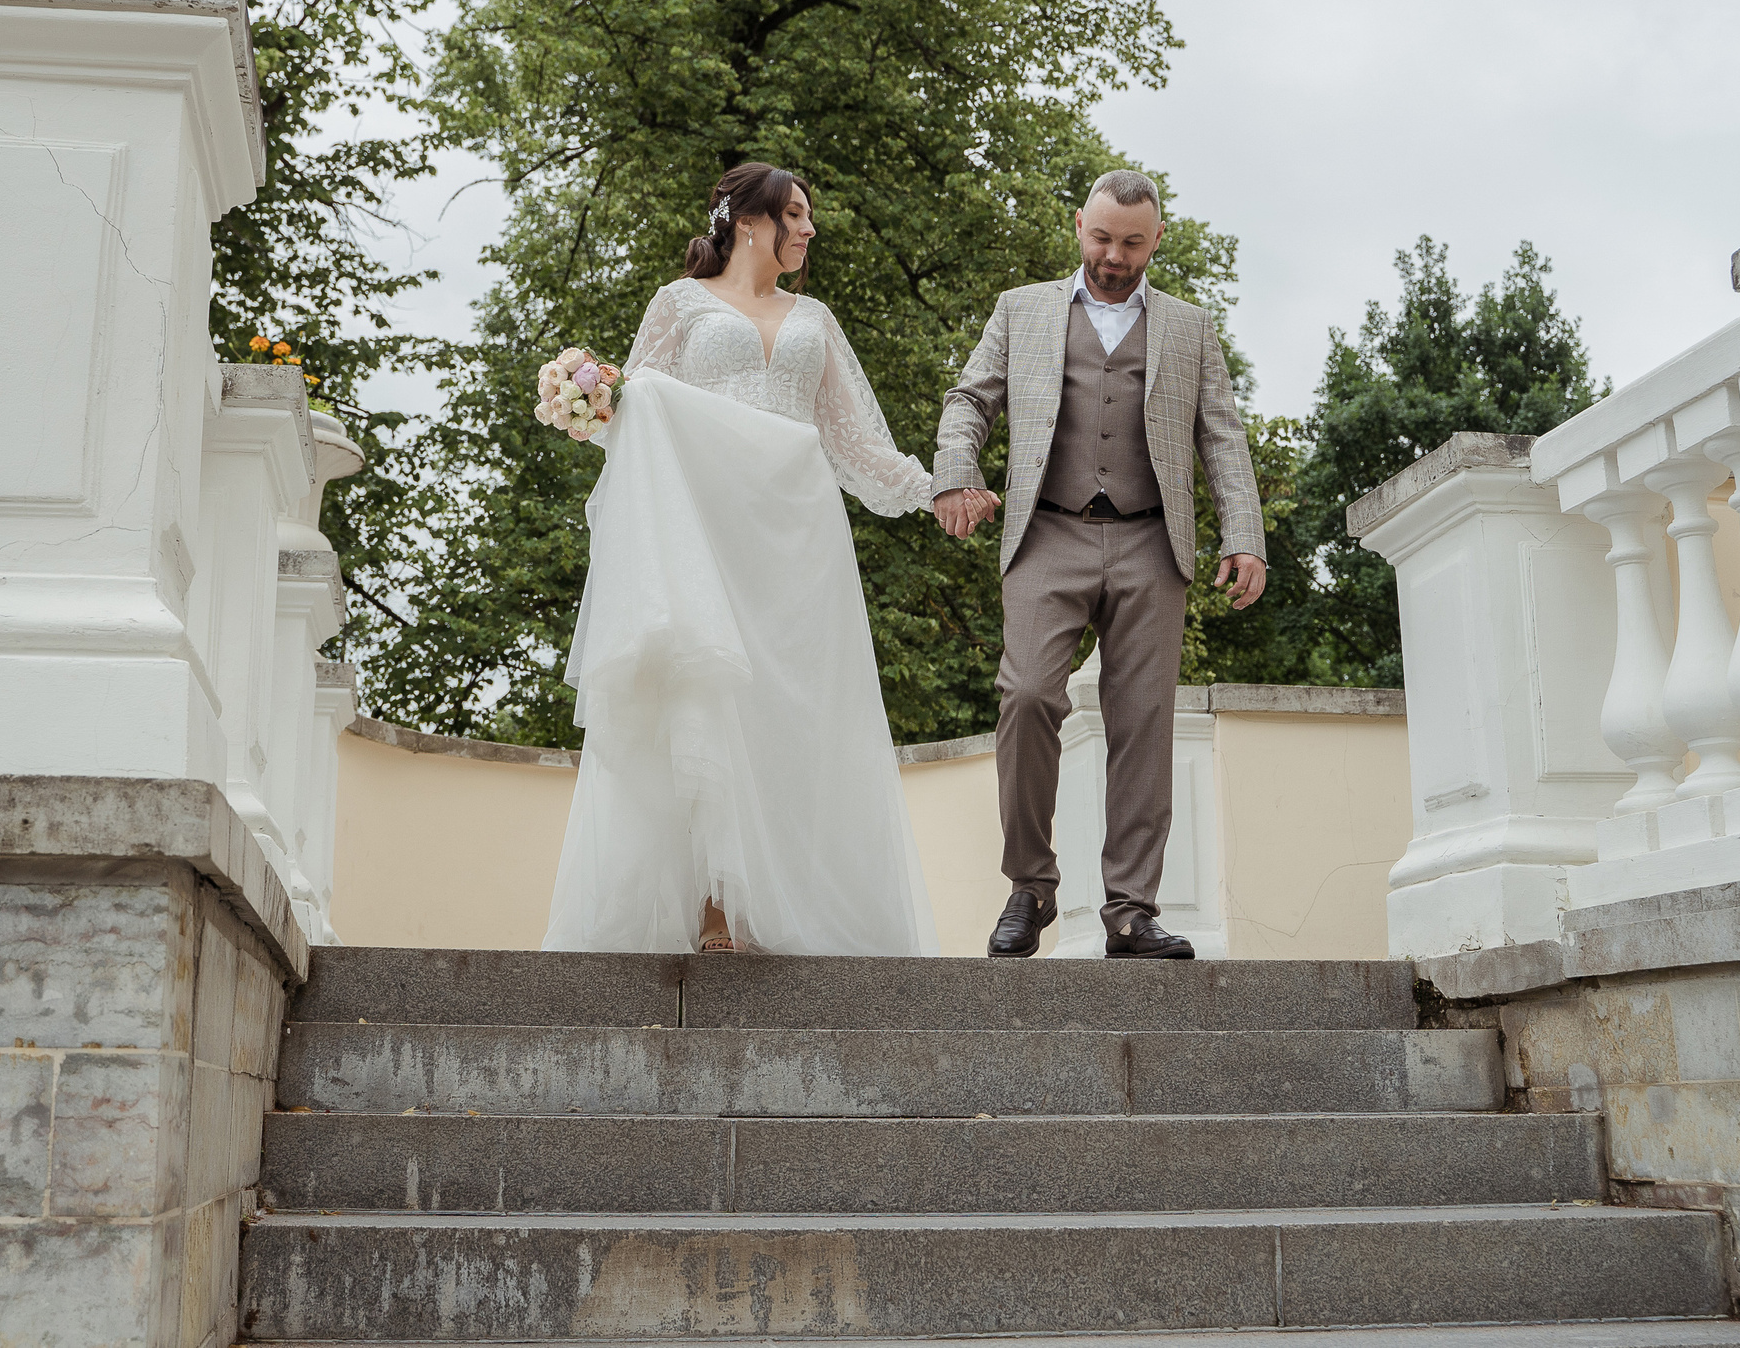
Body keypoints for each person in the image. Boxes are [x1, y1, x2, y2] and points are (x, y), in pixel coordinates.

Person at [540, 162, 940, 957]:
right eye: (797, 213)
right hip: (710, 533)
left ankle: (788, 895)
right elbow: (640, 413)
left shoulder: (816, 319)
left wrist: (938, 490)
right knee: (711, 704)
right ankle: (717, 909)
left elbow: (856, 444)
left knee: (795, 716)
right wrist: (592, 397)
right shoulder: (679, 304)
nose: (809, 228)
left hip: (798, 538)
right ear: (750, 220)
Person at [933, 169, 1268, 960]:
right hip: (1047, 533)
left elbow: (1220, 433)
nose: (1113, 256)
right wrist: (955, 469)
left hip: (1154, 540)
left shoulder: (1189, 326)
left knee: (1144, 720)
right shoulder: (1023, 309)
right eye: (1100, 237)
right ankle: (1030, 885)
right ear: (1078, 223)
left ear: (1158, 241)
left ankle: (1130, 909)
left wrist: (1243, 533)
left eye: (1131, 243)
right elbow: (969, 400)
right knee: (1025, 695)